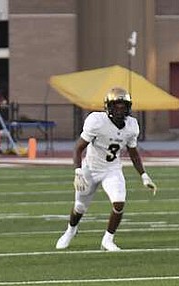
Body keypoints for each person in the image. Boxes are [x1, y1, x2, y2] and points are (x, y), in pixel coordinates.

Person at [55, 86, 156, 251]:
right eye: (117, 105)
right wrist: (78, 171)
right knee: (80, 207)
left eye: (124, 106)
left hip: (112, 169)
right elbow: (78, 148)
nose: (120, 109)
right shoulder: (97, 121)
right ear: (109, 106)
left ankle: (108, 240)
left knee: (119, 202)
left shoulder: (132, 126)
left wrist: (143, 175)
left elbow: (133, 152)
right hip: (90, 168)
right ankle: (70, 230)